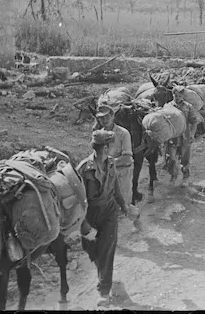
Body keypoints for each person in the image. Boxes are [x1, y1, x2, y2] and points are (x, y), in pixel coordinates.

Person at [77, 130, 137, 307]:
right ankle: (102, 271)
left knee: (106, 250)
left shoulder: (111, 163)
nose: (113, 147)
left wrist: (124, 206)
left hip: (109, 211)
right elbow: (78, 201)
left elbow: (115, 186)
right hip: (90, 213)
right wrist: (84, 223)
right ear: (105, 147)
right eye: (111, 145)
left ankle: (104, 291)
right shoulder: (83, 168)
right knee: (90, 248)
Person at [93, 104, 135, 204]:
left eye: (107, 116)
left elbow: (127, 159)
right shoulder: (98, 135)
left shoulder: (123, 133)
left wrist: (108, 163)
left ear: (113, 116)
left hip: (121, 173)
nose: (104, 120)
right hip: (105, 175)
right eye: (101, 118)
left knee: (123, 202)